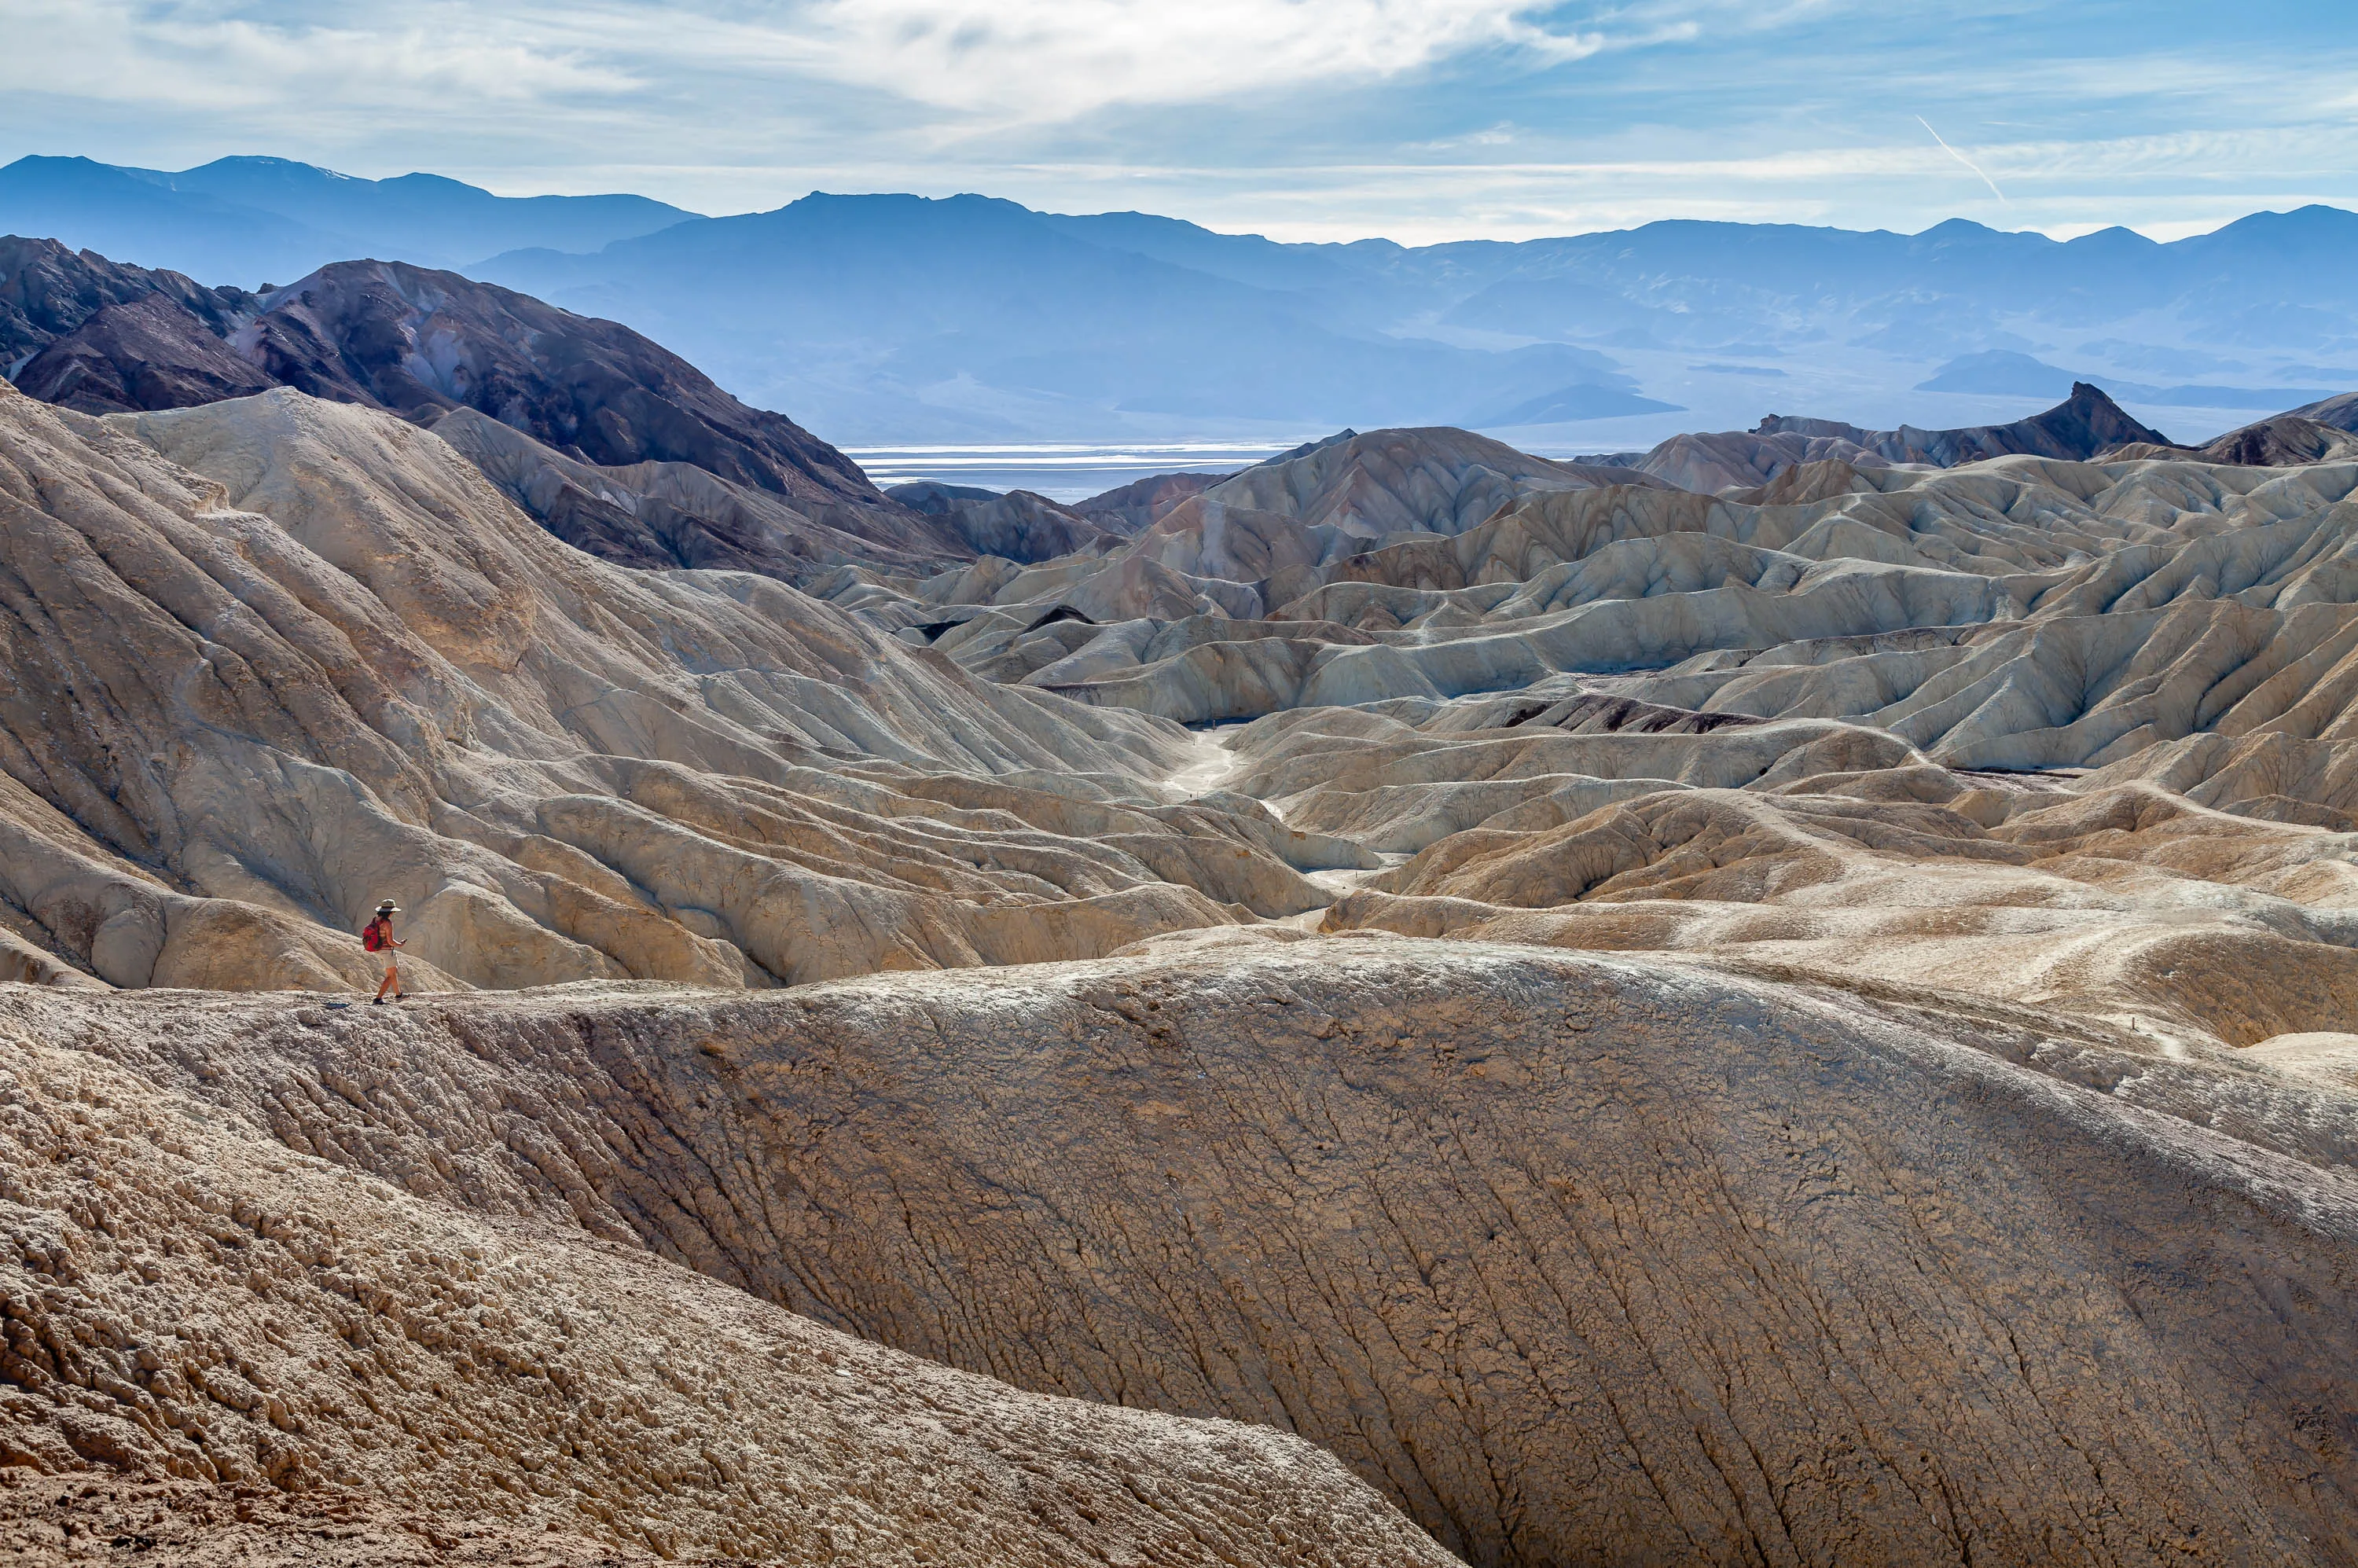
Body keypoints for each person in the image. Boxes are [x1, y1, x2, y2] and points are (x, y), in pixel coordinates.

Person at [362, 900, 405, 1004]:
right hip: (386, 951)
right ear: (390, 912)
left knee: (393, 972)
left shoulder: (375, 920)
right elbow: (390, 941)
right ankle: (378, 999)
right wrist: (400, 944)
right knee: (390, 975)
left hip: (378, 950)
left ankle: (399, 995)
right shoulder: (387, 923)